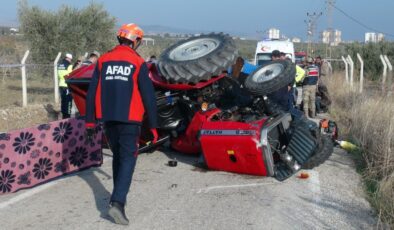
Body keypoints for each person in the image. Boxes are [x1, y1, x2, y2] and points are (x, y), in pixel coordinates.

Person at [85, 23, 158, 225]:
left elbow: (91, 94)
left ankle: (116, 198)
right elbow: (148, 96)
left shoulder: (103, 60)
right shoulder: (137, 61)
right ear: (136, 41)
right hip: (130, 120)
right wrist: (153, 125)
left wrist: (90, 122)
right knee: (128, 160)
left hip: (108, 119)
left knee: (118, 157)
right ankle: (118, 203)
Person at [57, 53, 73, 119]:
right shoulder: (69, 66)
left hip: (61, 85)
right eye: (71, 59)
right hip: (67, 85)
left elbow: (58, 75)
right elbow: (70, 75)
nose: (71, 61)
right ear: (69, 58)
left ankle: (63, 115)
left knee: (63, 101)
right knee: (68, 101)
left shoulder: (60, 65)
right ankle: (67, 116)